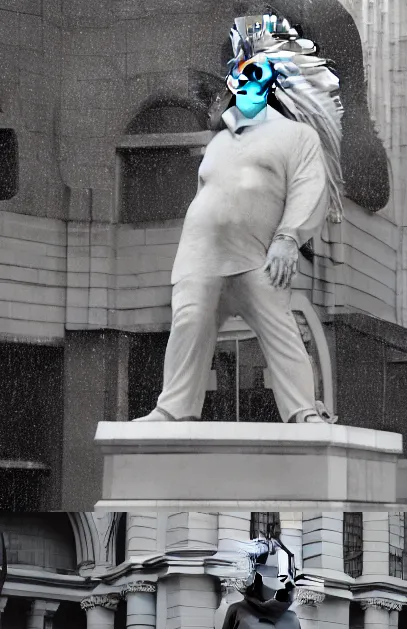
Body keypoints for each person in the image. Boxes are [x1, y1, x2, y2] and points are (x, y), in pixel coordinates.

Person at [138, 14, 342, 424]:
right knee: (188, 325)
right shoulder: (219, 142)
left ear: (272, 82)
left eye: (257, 74)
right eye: (240, 75)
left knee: (281, 333)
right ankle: (174, 409)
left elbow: (309, 188)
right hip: (201, 257)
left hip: (256, 257)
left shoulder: (296, 136)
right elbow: (207, 197)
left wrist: (288, 238)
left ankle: (303, 411)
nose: (246, 81)